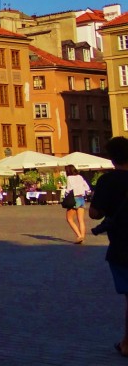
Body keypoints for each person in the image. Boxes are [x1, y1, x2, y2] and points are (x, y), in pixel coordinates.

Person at [90, 136, 128, 357]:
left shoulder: (107, 181)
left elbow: (95, 213)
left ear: (111, 158)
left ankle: (126, 343)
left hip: (121, 247)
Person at [64, 165, 90, 244]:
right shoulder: (80, 177)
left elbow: (69, 189)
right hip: (81, 198)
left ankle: (79, 236)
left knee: (69, 219)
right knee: (81, 220)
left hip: (74, 199)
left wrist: (65, 194)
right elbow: (87, 188)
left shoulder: (69, 178)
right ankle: (82, 236)